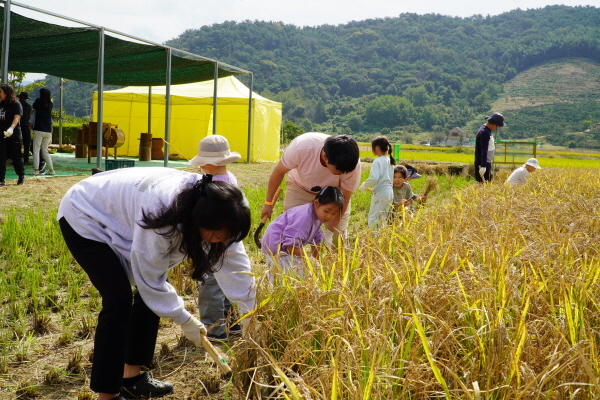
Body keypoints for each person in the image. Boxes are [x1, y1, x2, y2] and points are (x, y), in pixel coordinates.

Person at [58, 168, 254, 400]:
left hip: (124, 213)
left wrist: (253, 318)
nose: (223, 242)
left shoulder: (223, 212)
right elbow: (149, 278)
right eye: (219, 236)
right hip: (85, 213)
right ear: (199, 222)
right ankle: (107, 395)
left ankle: (131, 379)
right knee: (118, 299)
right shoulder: (161, 214)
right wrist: (184, 318)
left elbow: (238, 272)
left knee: (147, 295)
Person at [189, 135, 249, 342]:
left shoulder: (212, 185)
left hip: (214, 243)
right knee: (229, 280)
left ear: (206, 163)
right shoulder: (230, 178)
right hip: (230, 240)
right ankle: (233, 324)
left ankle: (214, 330)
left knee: (211, 284)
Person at [260, 133, 360, 245]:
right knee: (291, 230)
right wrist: (268, 203)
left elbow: (344, 198)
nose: (343, 173)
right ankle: (289, 260)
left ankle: (327, 259)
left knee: (338, 238)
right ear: (325, 157)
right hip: (300, 187)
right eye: (339, 170)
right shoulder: (302, 148)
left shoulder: (352, 164)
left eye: (346, 171)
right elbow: (279, 171)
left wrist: (330, 233)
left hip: (332, 195)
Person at [261, 186, 343, 277]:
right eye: (327, 211)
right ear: (316, 203)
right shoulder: (304, 218)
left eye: (334, 214)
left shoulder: (318, 216)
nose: (329, 216)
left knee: (307, 272)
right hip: (278, 248)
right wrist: (308, 260)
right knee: (286, 279)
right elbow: (291, 246)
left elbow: (317, 242)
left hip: (287, 247)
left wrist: (317, 262)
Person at [359, 136, 395, 229]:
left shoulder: (377, 161)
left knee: (373, 217)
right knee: (383, 218)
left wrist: (364, 185)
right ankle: (382, 240)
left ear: (377, 147)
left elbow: (374, 178)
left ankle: (372, 239)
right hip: (390, 192)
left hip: (381, 192)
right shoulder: (389, 160)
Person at [0, 84, 25, 186]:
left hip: (13, 135)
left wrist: (11, 128)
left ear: (7, 93)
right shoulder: (1, 104)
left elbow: (17, 118)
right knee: (1, 157)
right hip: (1, 135)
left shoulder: (16, 104)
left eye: (1, 92)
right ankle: (1, 179)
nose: (0, 94)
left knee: (16, 157)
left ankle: (21, 176)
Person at [475, 113, 506, 183]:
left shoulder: (487, 129)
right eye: (498, 126)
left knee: (487, 182)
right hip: (483, 163)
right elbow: (484, 149)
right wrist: (483, 166)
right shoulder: (484, 132)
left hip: (487, 162)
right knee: (483, 184)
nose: (498, 127)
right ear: (493, 123)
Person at [32, 88, 56, 176]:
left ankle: (36, 169)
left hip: (39, 129)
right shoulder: (50, 104)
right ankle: (51, 169)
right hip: (48, 131)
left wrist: (38, 99)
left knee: (36, 150)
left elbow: (34, 106)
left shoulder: (38, 102)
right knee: (45, 151)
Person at [17, 92, 32, 166]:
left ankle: (16, 159)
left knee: (17, 143)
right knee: (26, 144)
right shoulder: (28, 106)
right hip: (25, 126)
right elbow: (30, 117)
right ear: (25, 99)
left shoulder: (16, 105)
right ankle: (26, 160)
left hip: (17, 126)